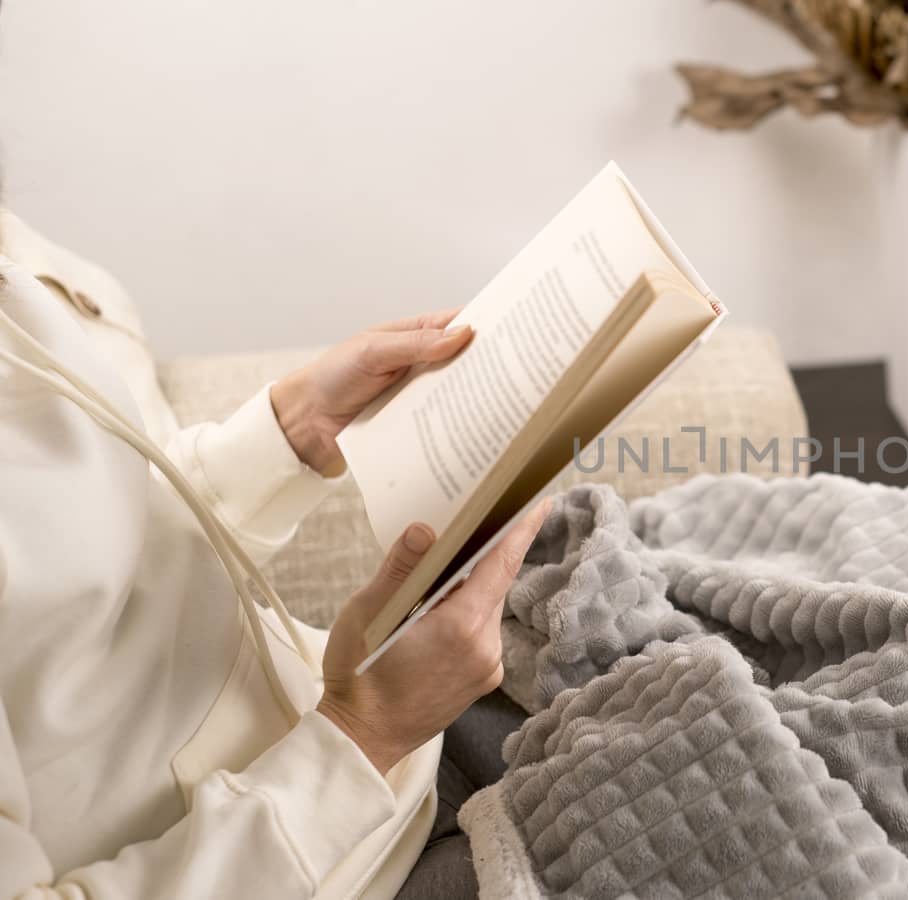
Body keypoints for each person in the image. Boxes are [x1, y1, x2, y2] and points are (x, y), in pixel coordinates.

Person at [0, 209, 540, 898]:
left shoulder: (15, 281)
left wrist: (289, 433)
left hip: (373, 753)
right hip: (345, 857)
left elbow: (85, 556)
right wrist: (365, 730)